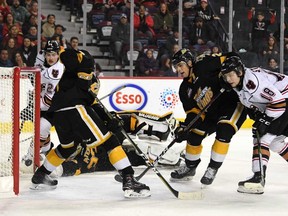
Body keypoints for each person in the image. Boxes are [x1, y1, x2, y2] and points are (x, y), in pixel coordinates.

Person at [30, 47, 151, 198]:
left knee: (67, 148)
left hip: (59, 115)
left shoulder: (69, 79)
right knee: (110, 141)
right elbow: (90, 103)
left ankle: (40, 176)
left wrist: (109, 119)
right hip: (76, 110)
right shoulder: (81, 65)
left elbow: (93, 103)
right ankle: (129, 179)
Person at [170, 48, 247, 185]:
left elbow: (232, 56)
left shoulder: (204, 63)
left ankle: (213, 168)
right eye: (176, 67)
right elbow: (194, 114)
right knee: (193, 134)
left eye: (180, 65)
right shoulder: (184, 90)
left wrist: (225, 78)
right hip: (211, 113)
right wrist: (185, 128)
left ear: (189, 62)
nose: (178, 69)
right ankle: (190, 167)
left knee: (224, 130)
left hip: (231, 104)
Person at [219, 56, 288, 194]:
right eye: (226, 76)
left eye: (231, 75)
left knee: (262, 139)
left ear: (239, 72)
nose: (229, 79)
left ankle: (258, 178)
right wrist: (259, 116)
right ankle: (258, 177)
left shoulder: (253, 83)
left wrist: (266, 120)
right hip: (280, 101)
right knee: (275, 143)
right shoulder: (240, 83)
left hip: (284, 101)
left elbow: (279, 102)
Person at [21, 40, 65, 166]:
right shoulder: (42, 57)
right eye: (48, 54)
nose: (51, 57)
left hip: (54, 107)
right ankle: (47, 150)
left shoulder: (57, 70)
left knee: (41, 129)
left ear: (58, 55)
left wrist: (33, 104)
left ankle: (30, 155)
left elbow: (37, 78)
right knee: (43, 133)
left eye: (53, 54)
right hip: (42, 104)